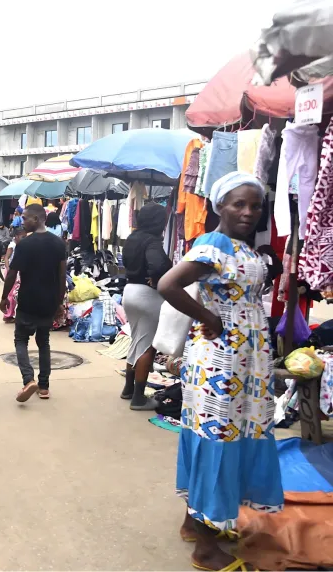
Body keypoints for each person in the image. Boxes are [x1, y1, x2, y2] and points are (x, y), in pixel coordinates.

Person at [157, 173, 283, 572]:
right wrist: (208, 315)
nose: (248, 211)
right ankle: (206, 547)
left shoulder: (243, 247)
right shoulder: (213, 243)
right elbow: (168, 284)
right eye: (238, 204)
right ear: (218, 206)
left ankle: (195, 521)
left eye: (255, 205)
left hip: (247, 360)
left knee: (226, 433)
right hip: (221, 360)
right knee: (218, 437)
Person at [0, 204, 66, 402]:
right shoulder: (59, 244)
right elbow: (62, 276)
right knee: (43, 341)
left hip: (28, 300)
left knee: (21, 339)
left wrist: (4, 296)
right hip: (48, 301)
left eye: (26, 218)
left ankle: (28, 380)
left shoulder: (25, 245)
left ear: (37, 219)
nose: (22, 221)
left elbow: (12, 273)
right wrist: (59, 302)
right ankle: (44, 387)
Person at [120, 203, 172, 410]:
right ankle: (139, 398)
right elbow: (158, 265)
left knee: (137, 341)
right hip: (147, 295)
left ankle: (128, 389)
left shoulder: (133, 238)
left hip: (130, 291)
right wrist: (158, 278)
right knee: (147, 346)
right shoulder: (152, 241)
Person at [1, 228, 25, 323]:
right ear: (16, 236)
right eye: (22, 237)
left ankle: (10, 314)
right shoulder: (13, 245)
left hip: (16, 271)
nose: (24, 239)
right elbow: (6, 258)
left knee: (14, 293)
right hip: (11, 271)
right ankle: (8, 315)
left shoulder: (20, 245)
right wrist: (9, 269)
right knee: (11, 294)